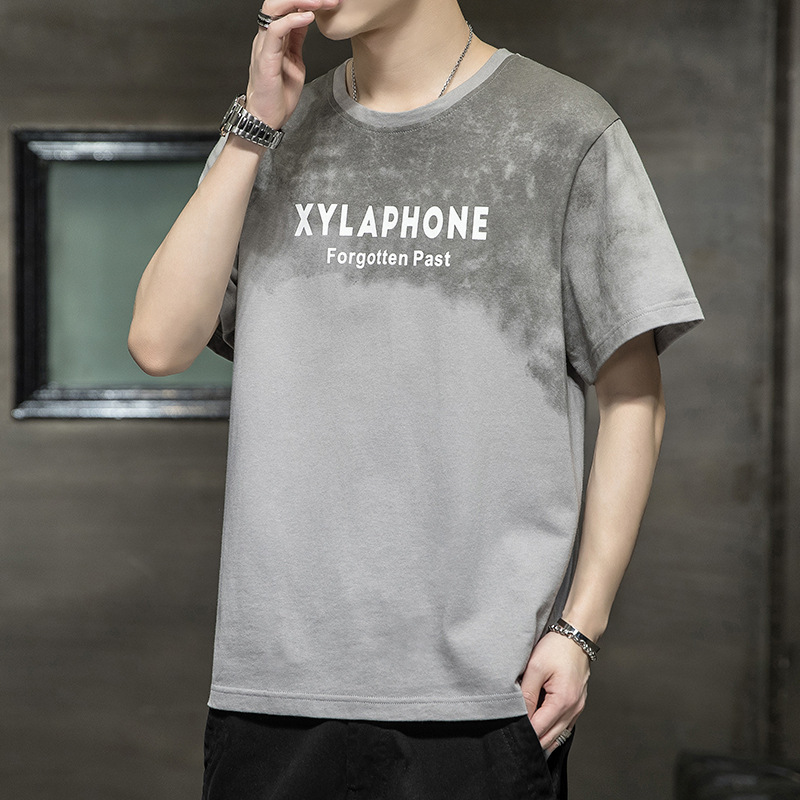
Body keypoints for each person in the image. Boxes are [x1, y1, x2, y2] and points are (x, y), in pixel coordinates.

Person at [128, 0, 704, 797]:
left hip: (487, 691)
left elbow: (634, 397)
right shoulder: (272, 129)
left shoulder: (565, 129)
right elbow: (159, 342)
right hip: (277, 686)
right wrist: (254, 125)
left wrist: (581, 628)